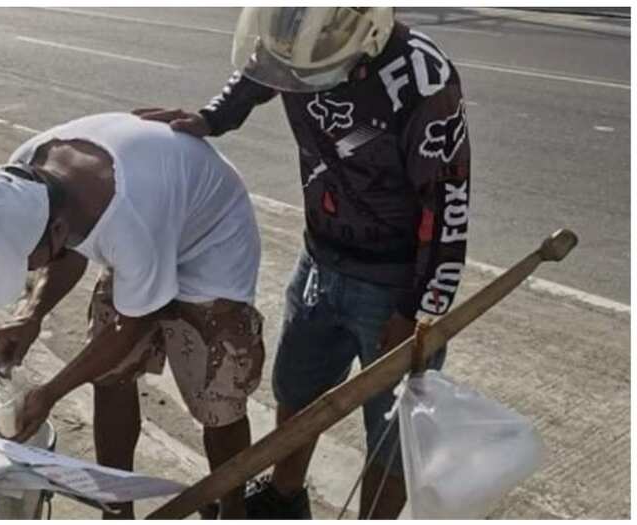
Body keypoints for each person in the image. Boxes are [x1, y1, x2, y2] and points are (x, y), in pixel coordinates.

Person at [137, 7, 470, 519]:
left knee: (392, 428)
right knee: (297, 388)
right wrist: (214, 117)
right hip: (320, 258)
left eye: (317, 73)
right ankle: (284, 495)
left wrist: (419, 310)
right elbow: (259, 72)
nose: (302, 84)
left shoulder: (423, 80)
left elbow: (446, 203)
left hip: (395, 284)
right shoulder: (291, 29)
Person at [0, 112, 265, 519]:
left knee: (217, 397)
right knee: (109, 374)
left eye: (27, 262)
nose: (29, 271)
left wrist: (49, 393)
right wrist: (31, 314)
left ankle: (231, 508)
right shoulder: (22, 179)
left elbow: (130, 323)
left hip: (211, 244)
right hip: (149, 226)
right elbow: (68, 252)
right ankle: (116, 509)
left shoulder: (126, 216)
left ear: (58, 229)